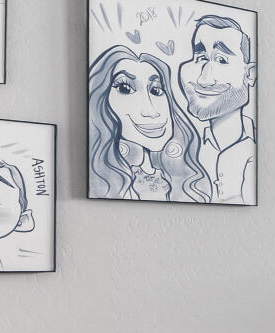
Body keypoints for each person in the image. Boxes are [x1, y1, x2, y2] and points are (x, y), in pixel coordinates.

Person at [87, 44, 212, 202]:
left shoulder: (186, 178)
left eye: (157, 90)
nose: (151, 112)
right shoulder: (101, 180)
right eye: (125, 88)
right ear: (100, 101)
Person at [178, 14, 256, 204]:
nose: (205, 79)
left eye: (221, 60)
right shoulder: (184, 149)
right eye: (200, 57)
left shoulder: (257, 149)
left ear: (249, 75)